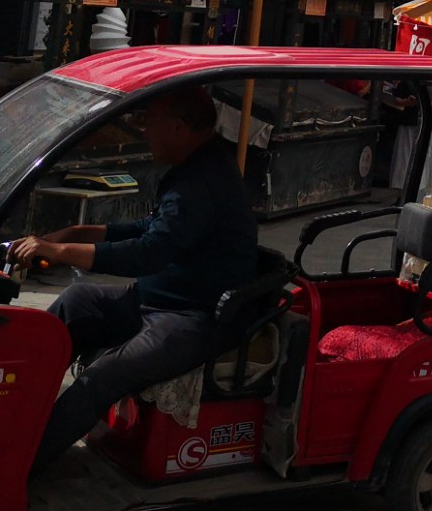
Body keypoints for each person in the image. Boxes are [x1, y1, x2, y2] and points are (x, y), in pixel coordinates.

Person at [18, 87, 259, 474]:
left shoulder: (203, 181)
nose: (144, 131)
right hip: (156, 297)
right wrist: (77, 232)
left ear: (178, 127)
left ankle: (18, 465)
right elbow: (150, 228)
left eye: (150, 123)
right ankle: (10, 415)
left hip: (189, 317)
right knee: (75, 301)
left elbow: (150, 252)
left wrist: (61, 252)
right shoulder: (192, 169)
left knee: (102, 376)